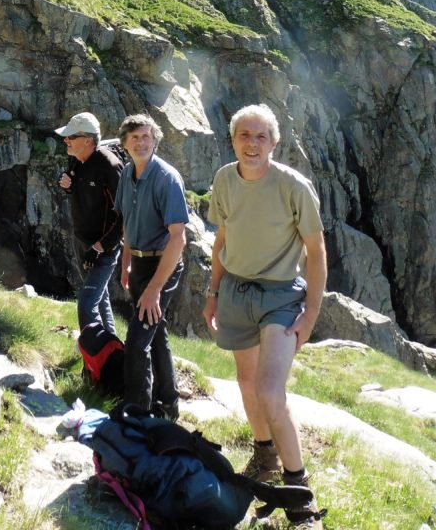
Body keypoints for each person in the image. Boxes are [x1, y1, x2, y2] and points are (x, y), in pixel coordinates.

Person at [202, 104, 327, 530]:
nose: (251, 144)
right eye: (244, 135)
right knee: (246, 382)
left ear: (274, 143)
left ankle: (300, 497)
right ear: (233, 140)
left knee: (271, 391)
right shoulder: (223, 179)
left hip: (279, 297)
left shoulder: (294, 186)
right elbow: (222, 238)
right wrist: (213, 291)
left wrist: (310, 314)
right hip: (235, 290)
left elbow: (316, 251)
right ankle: (264, 455)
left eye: (260, 137)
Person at [114, 113, 189, 420]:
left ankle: (137, 413)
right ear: (125, 145)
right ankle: (168, 404)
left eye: (147, 136)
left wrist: (155, 289)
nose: (142, 142)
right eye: (135, 138)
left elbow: (178, 239)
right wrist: (126, 263)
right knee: (156, 334)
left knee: (136, 342)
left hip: (164, 265)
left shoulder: (167, 178)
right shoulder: (127, 175)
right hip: (140, 264)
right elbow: (128, 224)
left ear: (155, 140)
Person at [56, 111, 124, 335]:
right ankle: (111, 351)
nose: (65, 140)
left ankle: (95, 361)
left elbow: (126, 215)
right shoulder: (76, 158)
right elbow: (77, 188)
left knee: (86, 305)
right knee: (99, 298)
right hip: (81, 241)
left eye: (70, 137)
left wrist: (100, 247)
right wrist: (68, 185)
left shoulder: (109, 166)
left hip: (102, 248)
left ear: (88, 140)